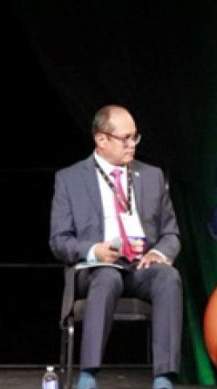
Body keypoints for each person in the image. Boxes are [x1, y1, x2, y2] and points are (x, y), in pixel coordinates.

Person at [50, 105, 182, 389]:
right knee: (107, 277)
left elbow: (171, 233)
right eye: (125, 138)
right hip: (96, 267)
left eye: (135, 137)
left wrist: (158, 253)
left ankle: (164, 378)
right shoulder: (70, 179)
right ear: (101, 139)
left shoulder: (152, 176)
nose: (132, 144)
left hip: (140, 265)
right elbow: (59, 240)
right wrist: (93, 250)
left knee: (168, 277)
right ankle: (88, 375)